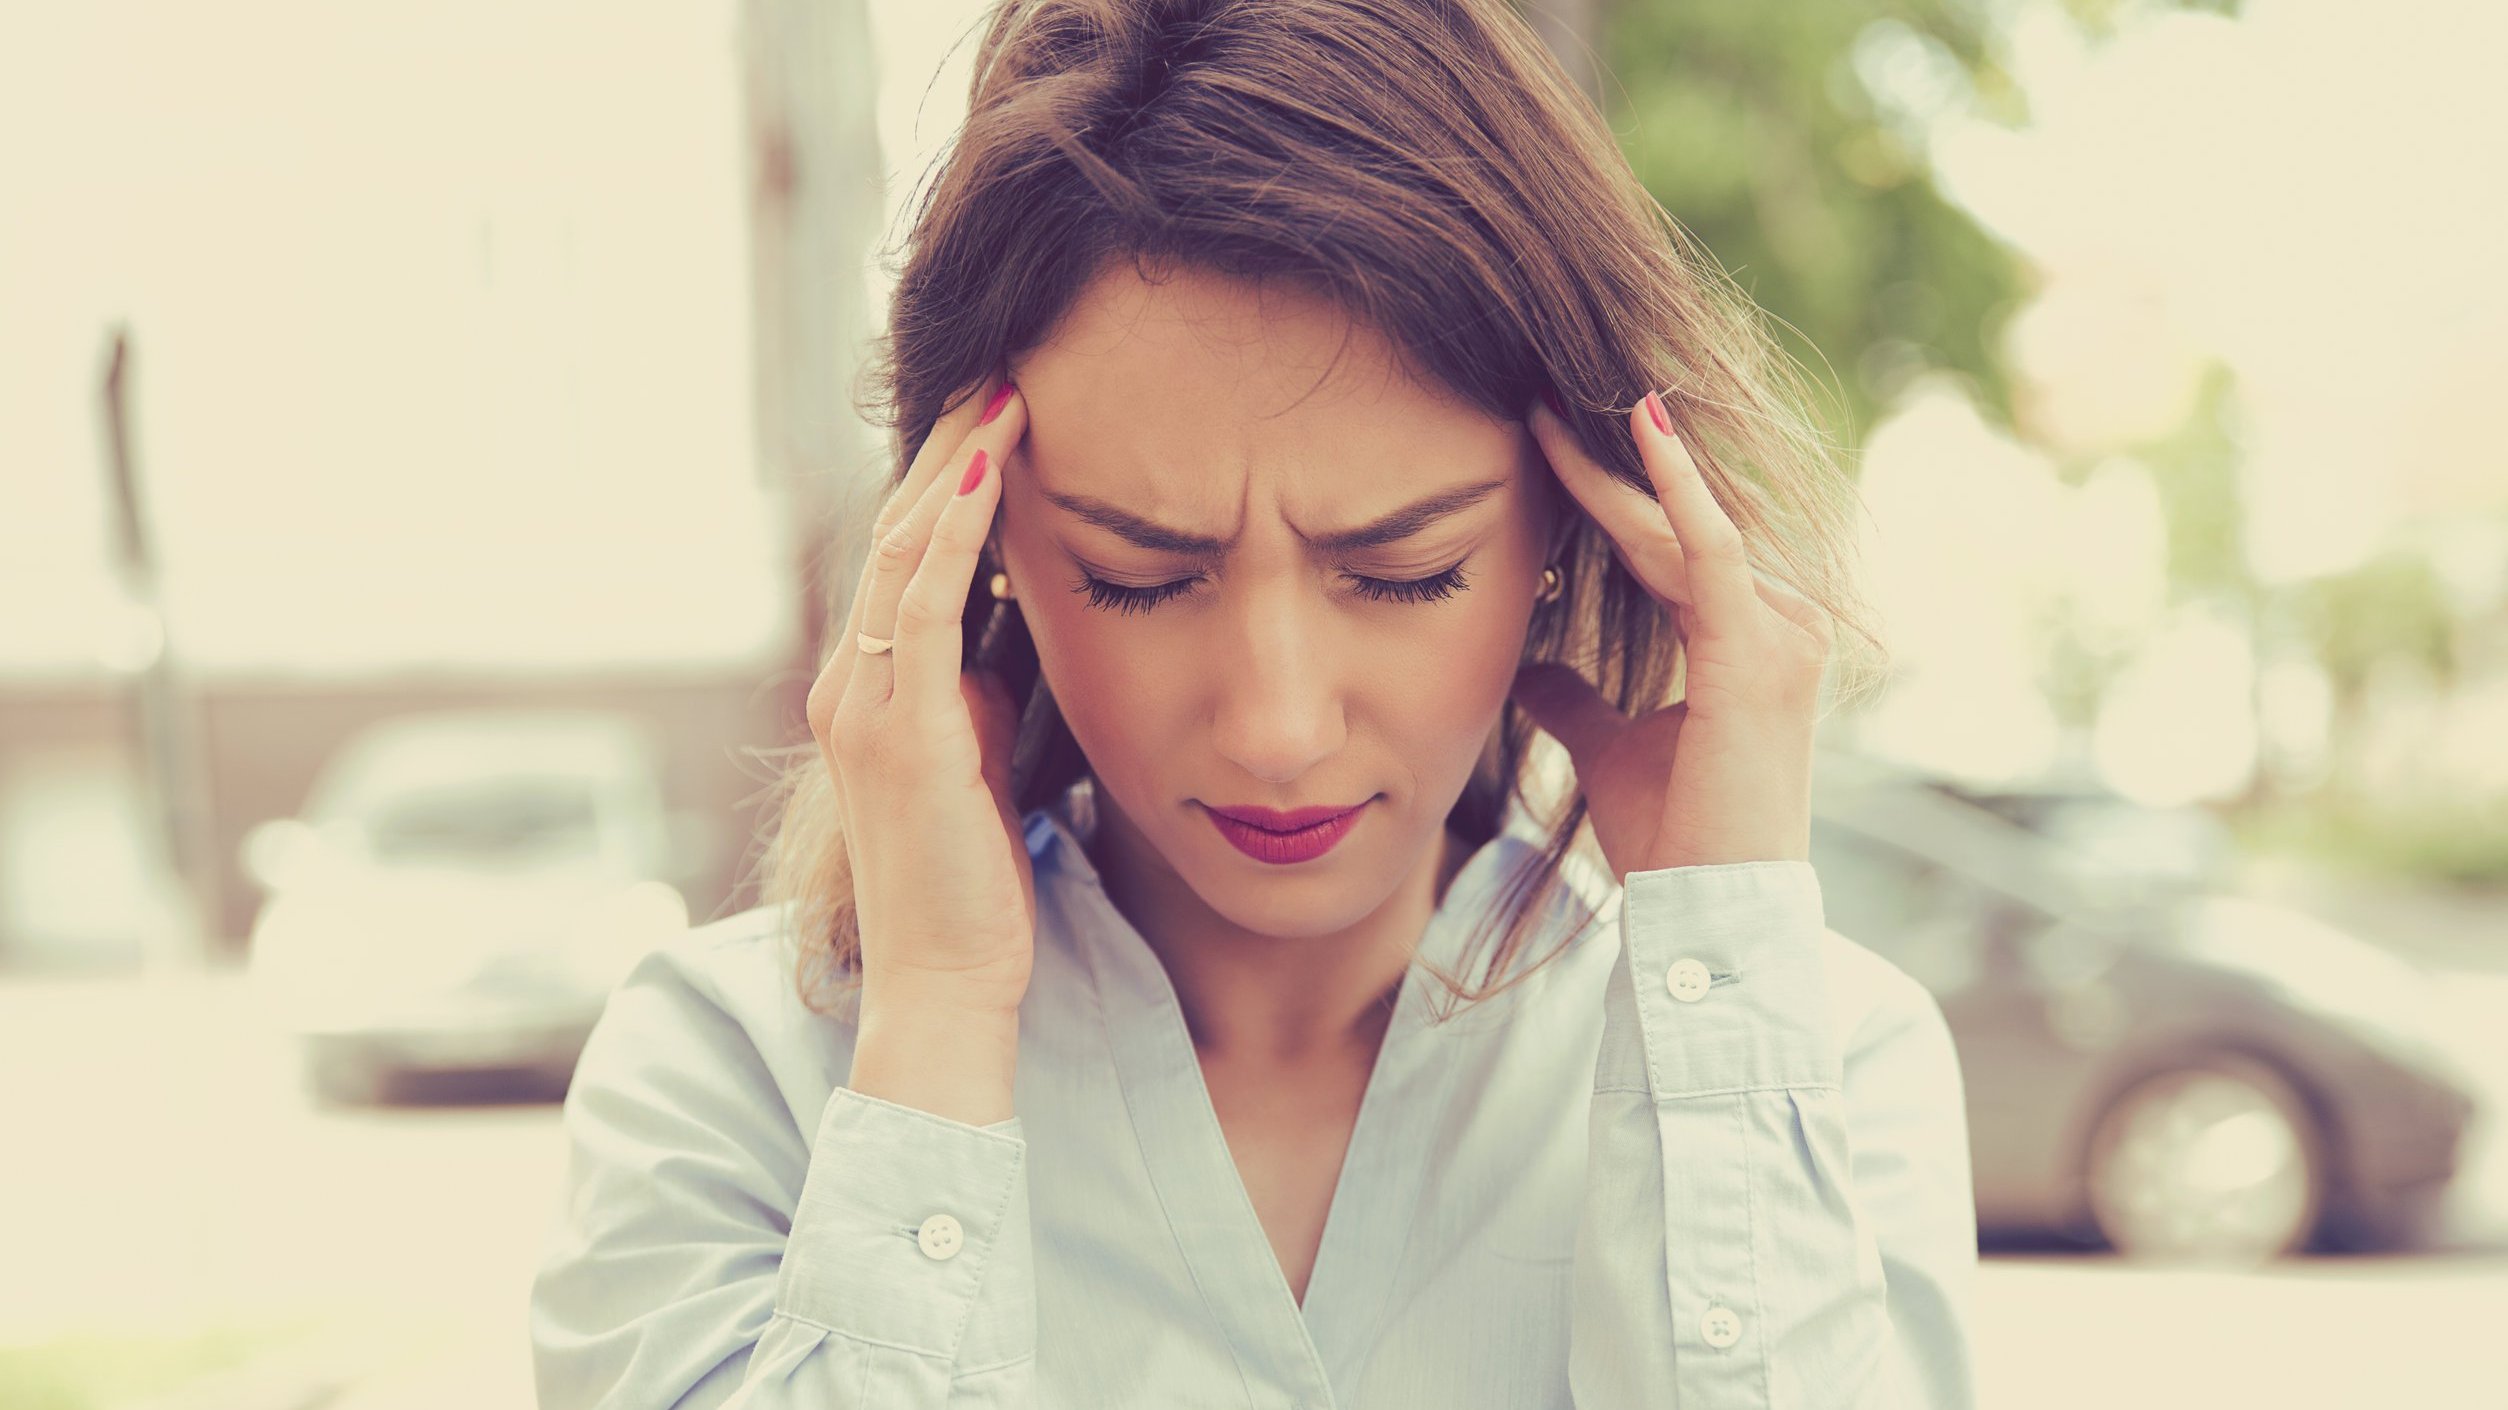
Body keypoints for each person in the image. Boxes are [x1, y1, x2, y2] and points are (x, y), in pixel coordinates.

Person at [529, 0, 1979, 1404]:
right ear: (977, 547)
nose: (1278, 726)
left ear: (1573, 527)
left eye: (1405, 570)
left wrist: (1718, 975)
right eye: (1140, 575)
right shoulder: (733, 1078)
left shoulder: (1819, 1071)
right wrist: (938, 1034)